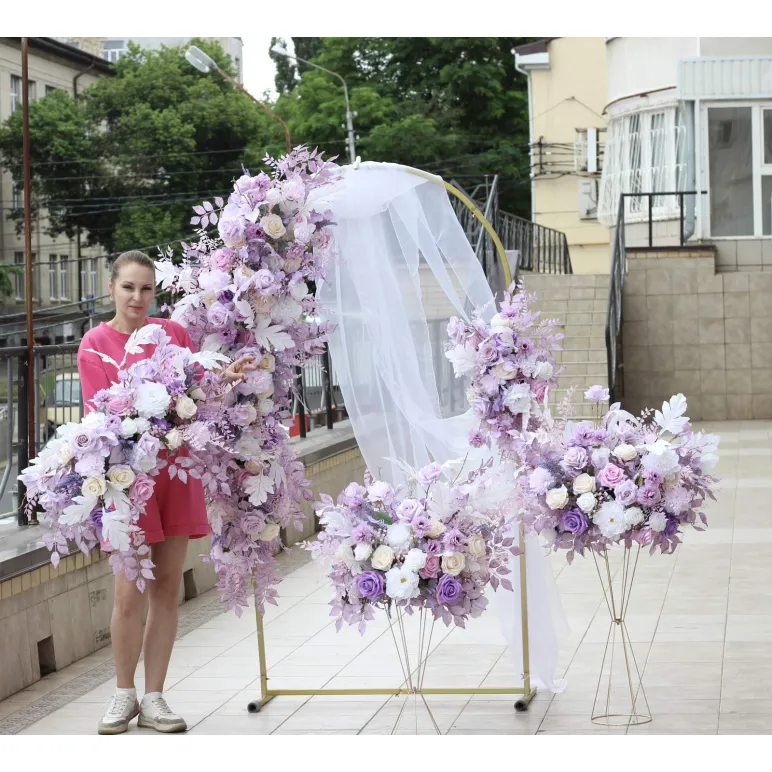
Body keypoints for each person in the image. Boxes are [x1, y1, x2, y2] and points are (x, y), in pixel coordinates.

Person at [78, 250, 255, 735]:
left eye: (146, 289)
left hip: (176, 473)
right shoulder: (94, 344)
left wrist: (222, 379)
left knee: (166, 589)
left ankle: (154, 697)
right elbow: (103, 416)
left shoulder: (173, 335)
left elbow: (193, 393)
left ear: (156, 292)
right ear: (111, 287)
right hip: (125, 482)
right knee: (128, 593)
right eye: (128, 287)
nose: (137, 297)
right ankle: (123, 695)